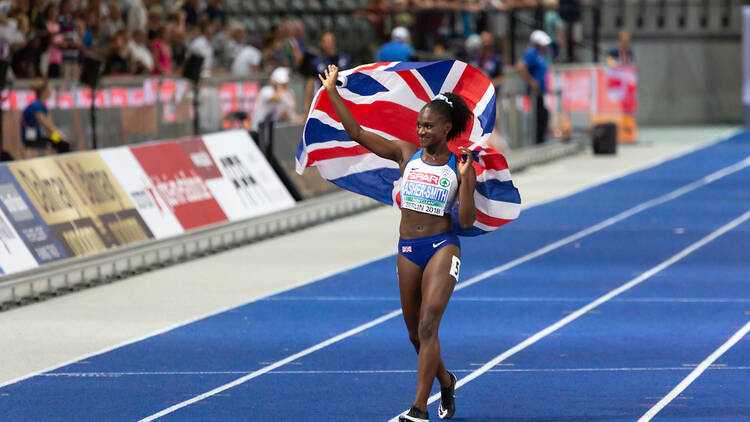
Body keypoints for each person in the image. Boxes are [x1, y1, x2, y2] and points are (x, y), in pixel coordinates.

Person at [319, 64, 476, 422]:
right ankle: (446, 380)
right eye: (420, 125)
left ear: (446, 128)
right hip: (408, 249)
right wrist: (332, 92)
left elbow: (465, 221)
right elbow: (356, 131)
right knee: (414, 335)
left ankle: (419, 408)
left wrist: (467, 181)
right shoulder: (405, 154)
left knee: (428, 325)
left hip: (442, 246)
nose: (421, 131)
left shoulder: (459, 165)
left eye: (429, 126)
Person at [303, 30, 351, 115]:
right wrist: (307, 108)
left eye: (331, 41)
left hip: (343, 99)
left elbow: (351, 79)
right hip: (324, 101)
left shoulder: (345, 59)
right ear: (321, 44)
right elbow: (310, 84)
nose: (329, 44)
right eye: (326, 42)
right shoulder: (316, 62)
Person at [517, 29, 550, 144]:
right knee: (538, 116)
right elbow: (521, 67)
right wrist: (531, 81)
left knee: (543, 115)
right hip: (534, 91)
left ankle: (541, 139)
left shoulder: (540, 54)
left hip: (540, 91)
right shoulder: (531, 53)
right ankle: (537, 141)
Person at [20, 80, 71, 154]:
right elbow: (48, 127)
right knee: (63, 144)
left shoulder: (43, 107)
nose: (51, 92)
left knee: (62, 143)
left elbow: (51, 128)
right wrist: (62, 138)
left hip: (38, 136)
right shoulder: (36, 106)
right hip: (31, 138)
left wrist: (61, 138)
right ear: (44, 91)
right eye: (49, 89)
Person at [250, 67, 300, 133]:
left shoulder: (286, 94)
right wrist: (279, 86)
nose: (285, 86)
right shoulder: (266, 91)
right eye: (282, 84)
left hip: (272, 131)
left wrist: (299, 120)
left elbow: (289, 113)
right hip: (257, 130)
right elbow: (277, 98)